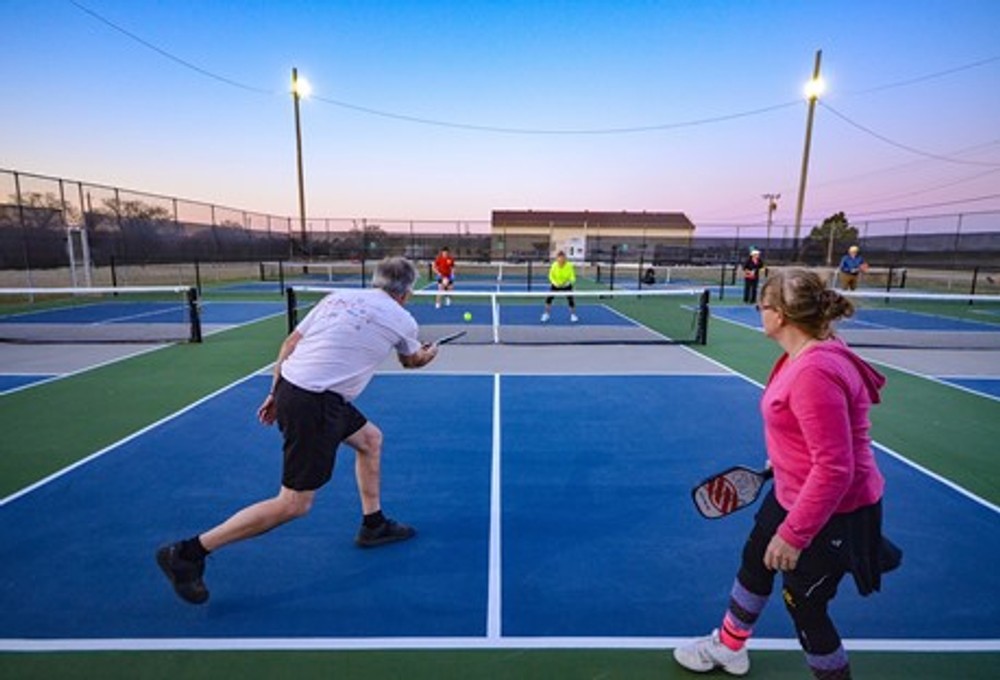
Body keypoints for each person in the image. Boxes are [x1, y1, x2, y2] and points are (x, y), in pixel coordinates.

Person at [156, 257, 438, 605]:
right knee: (294, 504)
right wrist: (429, 353)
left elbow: (290, 344)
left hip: (296, 387)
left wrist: (276, 392)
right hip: (316, 403)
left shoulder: (336, 298)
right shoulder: (403, 319)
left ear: (376, 280)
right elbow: (411, 362)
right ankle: (187, 553)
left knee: (369, 439)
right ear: (407, 293)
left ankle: (373, 524)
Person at [673, 268, 901, 679]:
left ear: (779, 315)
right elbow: (811, 436)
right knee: (756, 562)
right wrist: (782, 463)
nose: (759, 312)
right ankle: (729, 646)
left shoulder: (814, 371)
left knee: (805, 604)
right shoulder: (809, 353)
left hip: (836, 509)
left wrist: (794, 534)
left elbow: (834, 467)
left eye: (762, 305)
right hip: (792, 490)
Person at [541, 250, 578, 323]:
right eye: (559, 260)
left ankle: (573, 315)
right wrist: (554, 282)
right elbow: (551, 276)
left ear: (565, 259)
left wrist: (568, 282)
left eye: (562, 260)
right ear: (557, 259)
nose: (561, 261)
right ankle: (546, 314)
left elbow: (573, 277)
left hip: (566, 285)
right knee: (549, 299)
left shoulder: (569, 266)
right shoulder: (554, 265)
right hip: (556, 285)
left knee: (571, 300)